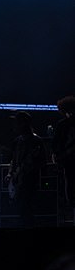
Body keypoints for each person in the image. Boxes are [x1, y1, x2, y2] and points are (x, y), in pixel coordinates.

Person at [4, 111, 47, 227]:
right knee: (20, 214)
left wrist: (30, 166)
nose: (14, 126)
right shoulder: (17, 141)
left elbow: (43, 162)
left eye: (16, 122)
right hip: (18, 182)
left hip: (30, 183)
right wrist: (10, 174)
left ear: (23, 124)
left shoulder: (36, 141)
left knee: (28, 213)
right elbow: (13, 160)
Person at [52, 95, 75, 225]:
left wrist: (59, 157)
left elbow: (55, 146)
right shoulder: (63, 125)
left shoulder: (63, 125)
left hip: (69, 162)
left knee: (71, 192)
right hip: (68, 162)